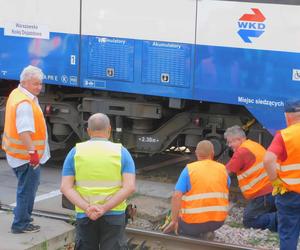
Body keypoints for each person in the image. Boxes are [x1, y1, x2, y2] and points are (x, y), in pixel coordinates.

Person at [60, 113, 135, 250]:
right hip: (114, 213)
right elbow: (129, 187)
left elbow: (66, 187)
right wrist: (104, 208)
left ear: (88, 131)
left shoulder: (75, 152)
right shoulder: (122, 152)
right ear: (109, 129)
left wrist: (87, 208)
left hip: (85, 213)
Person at [1, 65, 50, 233]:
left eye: (40, 84)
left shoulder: (17, 94)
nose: (39, 87)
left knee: (25, 188)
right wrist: (33, 154)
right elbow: (23, 131)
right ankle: (21, 224)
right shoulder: (24, 104)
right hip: (26, 157)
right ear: (25, 82)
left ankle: (23, 218)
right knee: (27, 191)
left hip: (16, 154)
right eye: (36, 84)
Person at [163, 140, 229, 238]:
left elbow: (176, 196)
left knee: (175, 218)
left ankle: (189, 232)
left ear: (196, 153)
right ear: (212, 153)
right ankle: (206, 232)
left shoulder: (189, 170)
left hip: (192, 224)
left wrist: (174, 221)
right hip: (218, 222)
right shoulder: (223, 169)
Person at [224, 125, 277, 232]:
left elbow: (225, 173)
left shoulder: (241, 152)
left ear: (239, 139)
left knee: (250, 221)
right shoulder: (253, 145)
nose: (229, 145)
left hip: (262, 194)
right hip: (272, 191)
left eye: (230, 142)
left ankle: (285, 219)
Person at [264, 101, 300, 250]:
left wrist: (276, 183)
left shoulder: (284, 136)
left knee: (288, 235)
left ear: (287, 116)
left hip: (290, 194)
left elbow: (268, 160)